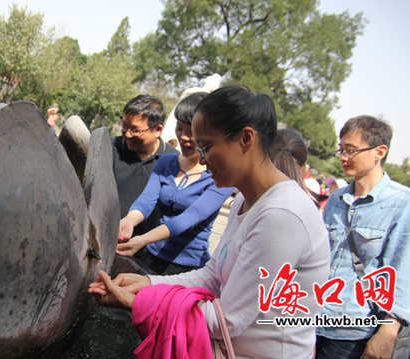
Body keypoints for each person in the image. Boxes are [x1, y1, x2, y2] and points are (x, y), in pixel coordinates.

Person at [90, 85, 330, 358]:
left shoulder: (282, 215)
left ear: (246, 139)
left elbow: (226, 321)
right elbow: (213, 275)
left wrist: (138, 302)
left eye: (207, 146)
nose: (202, 160)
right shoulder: (246, 200)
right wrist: (149, 284)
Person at [316, 115, 410, 359]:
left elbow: (401, 271)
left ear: (380, 152)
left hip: (356, 331)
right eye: (341, 150)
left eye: (352, 150)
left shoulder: (401, 203)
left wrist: (388, 332)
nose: (343, 157)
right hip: (313, 321)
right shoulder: (337, 198)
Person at [117, 93, 234, 275]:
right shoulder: (166, 162)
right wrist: (129, 221)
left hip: (186, 266)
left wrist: (142, 239)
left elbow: (189, 218)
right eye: (180, 128)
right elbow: (147, 200)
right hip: (151, 255)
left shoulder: (222, 176)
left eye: (193, 132)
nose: (184, 137)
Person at [111, 95, 179, 239]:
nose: (128, 134)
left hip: (147, 246)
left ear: (157, 130)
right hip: (107, 238)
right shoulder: (109, 148)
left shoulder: (172, 160)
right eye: (124, 126)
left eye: (135, 130)